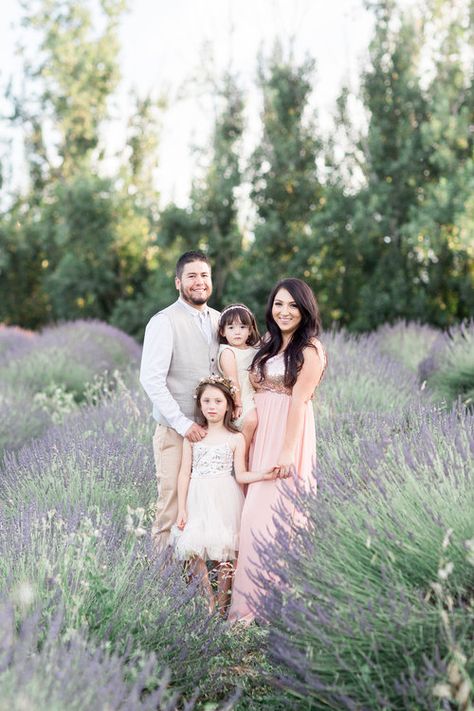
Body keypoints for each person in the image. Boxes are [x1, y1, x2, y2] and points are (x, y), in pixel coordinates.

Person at [228, 278, 327, 624]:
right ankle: (256, 611)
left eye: (292, 306)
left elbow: (299, 403)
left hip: (287, 439)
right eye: (278, 304)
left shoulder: (310, 351)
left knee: (266, 521)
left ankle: (256, 613)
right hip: (259, 436)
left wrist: (285, 454)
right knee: (248, 519)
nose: (284, 311)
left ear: (304, 310)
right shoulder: (269, 344)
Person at [170, 376, 285, 615]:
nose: (212, 406)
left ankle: (223, 608)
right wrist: (182, 508)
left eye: (218, 401)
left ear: (228, 405)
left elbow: (241, 475)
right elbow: (183, 474)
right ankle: (208, 603)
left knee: (225, 554)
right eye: (207, 401)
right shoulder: (193, 438)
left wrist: (264, 475)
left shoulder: (235, 438)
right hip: (198, 497)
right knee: (194, 549)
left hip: (225, 497)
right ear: (200, 405)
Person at [139, 250, 220, 551]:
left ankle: (198, 584)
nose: (199, 282)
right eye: (192, 276)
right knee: (171, 507)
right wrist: (184, 424)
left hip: (213, 435)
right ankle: (159, 588)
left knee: (206, 509)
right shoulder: (163, 321)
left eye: (204, 275)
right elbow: (151, 379)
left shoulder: (221, 319)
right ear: (178, 282)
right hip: (175, 433)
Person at [217, 303, 260, 452]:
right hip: (242, 398)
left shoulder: (255, 349)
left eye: (242, 327)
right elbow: (232, 380)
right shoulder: (228, 352)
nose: (237, 332)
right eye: (231, 328)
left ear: (250, 330)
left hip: (257, 394)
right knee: (251, 420)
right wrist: (237, 403)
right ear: (222, 331)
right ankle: (242, 454)